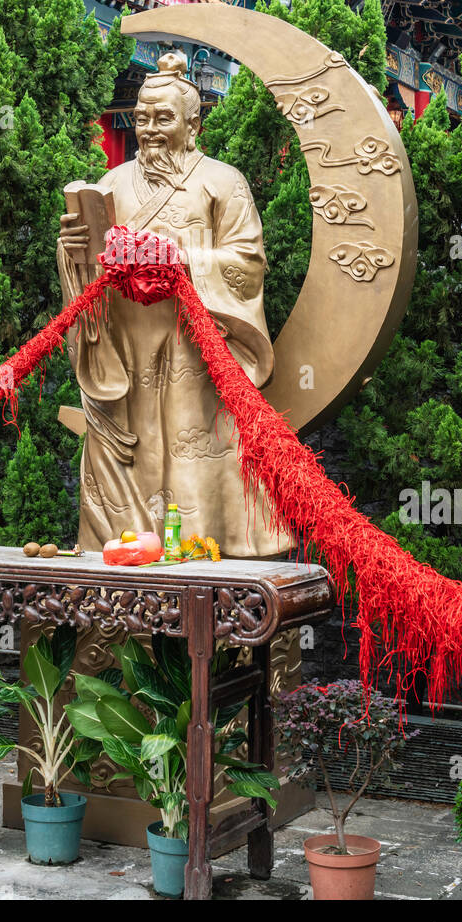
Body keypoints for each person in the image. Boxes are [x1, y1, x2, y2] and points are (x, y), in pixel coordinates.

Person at [58, 49, 282, 557]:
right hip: (123, 353)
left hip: (193, 352)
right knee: (125, 474)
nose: (150, 130)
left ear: (193, 123)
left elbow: (247, 265)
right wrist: (74, 252)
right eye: (140, 119)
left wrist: (180, 261)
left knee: (193, 460)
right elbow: (93, 268)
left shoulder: (223, 182)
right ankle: (118, 583)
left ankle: (209, 567)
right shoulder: (112, 184)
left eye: (163, 118)